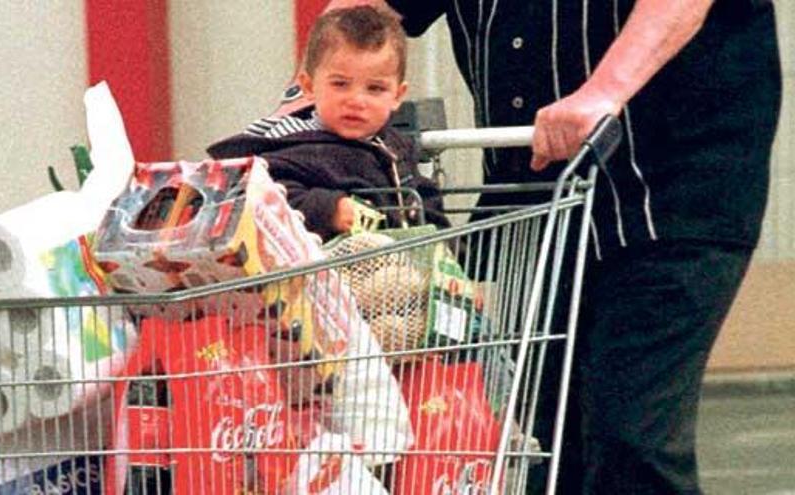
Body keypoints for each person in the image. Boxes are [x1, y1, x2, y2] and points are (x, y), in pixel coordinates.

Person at [277, 0, 783, 493]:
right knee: (538, 441)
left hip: (667, 190)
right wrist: (293, 117)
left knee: (630, 436)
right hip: (534, 197)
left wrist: (603, 92)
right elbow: (359, 15)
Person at [207, 5, 448, 242]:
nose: (356, 101)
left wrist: (445, 243)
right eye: (340, 84)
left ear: (397, 95)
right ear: (309, 87)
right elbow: (265, 196)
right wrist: (328, 209)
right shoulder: (293, 145)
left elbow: (420, 196)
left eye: (375, 88)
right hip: (313, 272)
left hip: (391, 268)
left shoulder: (393, 145)